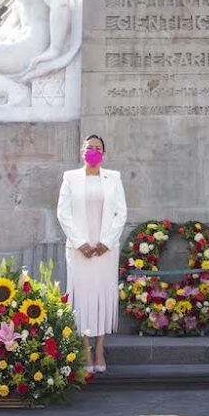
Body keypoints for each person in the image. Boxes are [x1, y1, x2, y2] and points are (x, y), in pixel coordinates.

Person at [56, 135, 127, 373]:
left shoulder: (113, 178)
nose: (93, 151)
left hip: (105, 250)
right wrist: (80, 243)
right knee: (83, 298)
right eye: (89, 147)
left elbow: (121, 213)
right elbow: (63, 213)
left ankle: (100, 348)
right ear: (82, 151)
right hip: (80, 250)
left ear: (104, 153)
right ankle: (85, 347)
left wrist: (106, 241)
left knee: (103, 297)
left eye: (98, 148)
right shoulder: (70, 178)